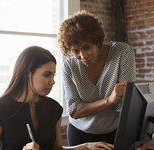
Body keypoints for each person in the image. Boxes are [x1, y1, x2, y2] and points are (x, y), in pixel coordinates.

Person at [0, 46, 114, 150]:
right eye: (47, 75)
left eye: (53, 75)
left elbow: (57, 149)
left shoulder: (53, 108)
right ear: (27, 74)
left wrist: (86, 146)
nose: (52, 81)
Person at [57, 10, 136, 146]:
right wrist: (109, 100)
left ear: (97, 40)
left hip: (114, 132)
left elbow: (124, 105)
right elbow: (74, 111)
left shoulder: (122, 52)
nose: (83, 56)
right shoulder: (69, 66)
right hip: (79, 134)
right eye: (75, 51)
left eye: (87, 47)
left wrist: (128, 141)